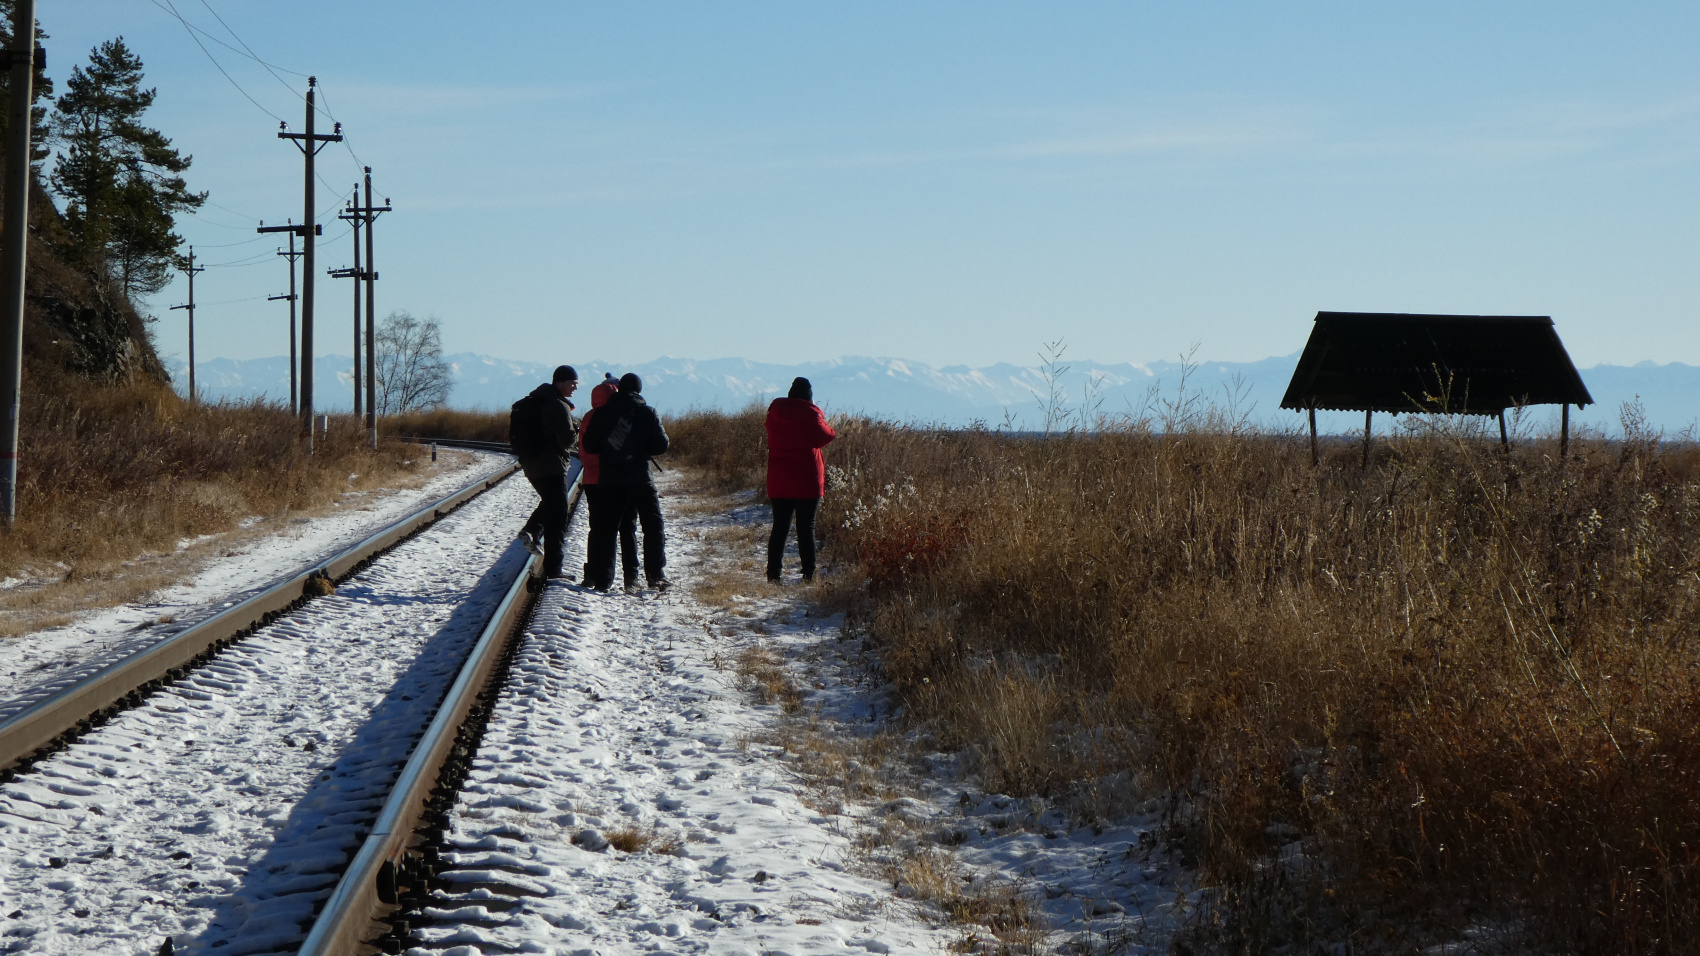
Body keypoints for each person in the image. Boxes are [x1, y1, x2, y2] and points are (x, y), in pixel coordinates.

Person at [582, 372, 671, 591]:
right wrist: (641, 448)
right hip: (640, 477)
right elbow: (661, 445)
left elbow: (590, 445)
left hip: (610, 479)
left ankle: (603, 580)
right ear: (639, 390)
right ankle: (655, 575)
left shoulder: (601, 414)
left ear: (619, 389)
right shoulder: (647, 412)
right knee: (652, 525)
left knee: (606, 528)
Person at [764, 376, 836, 582]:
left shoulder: (775, 411)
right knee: (806, 527)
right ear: (809, 396)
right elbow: (826, 436)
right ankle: (809, 574)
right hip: (807, 479)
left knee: (780, 527)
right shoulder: (810, 413)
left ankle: (773, 574)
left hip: (779, 479)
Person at [510, 364, 578, 579]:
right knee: (558, 515)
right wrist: (576, 431)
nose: (575, 387)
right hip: (552, 465)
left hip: (531, 464)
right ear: (560, 382)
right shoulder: (558, 405)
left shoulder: (535, 401)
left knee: (552, 504)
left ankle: (532, 531)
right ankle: (553, 569)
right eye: (572, 383)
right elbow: (567, 440)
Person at [577, 374, 640, 591]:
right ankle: (631, 577)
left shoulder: (588, 416)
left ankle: (594, 574)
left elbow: (584, 448)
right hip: (616, 478)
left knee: (598, 528)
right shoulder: (620, 415)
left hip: (592, 479)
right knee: (627, 526)